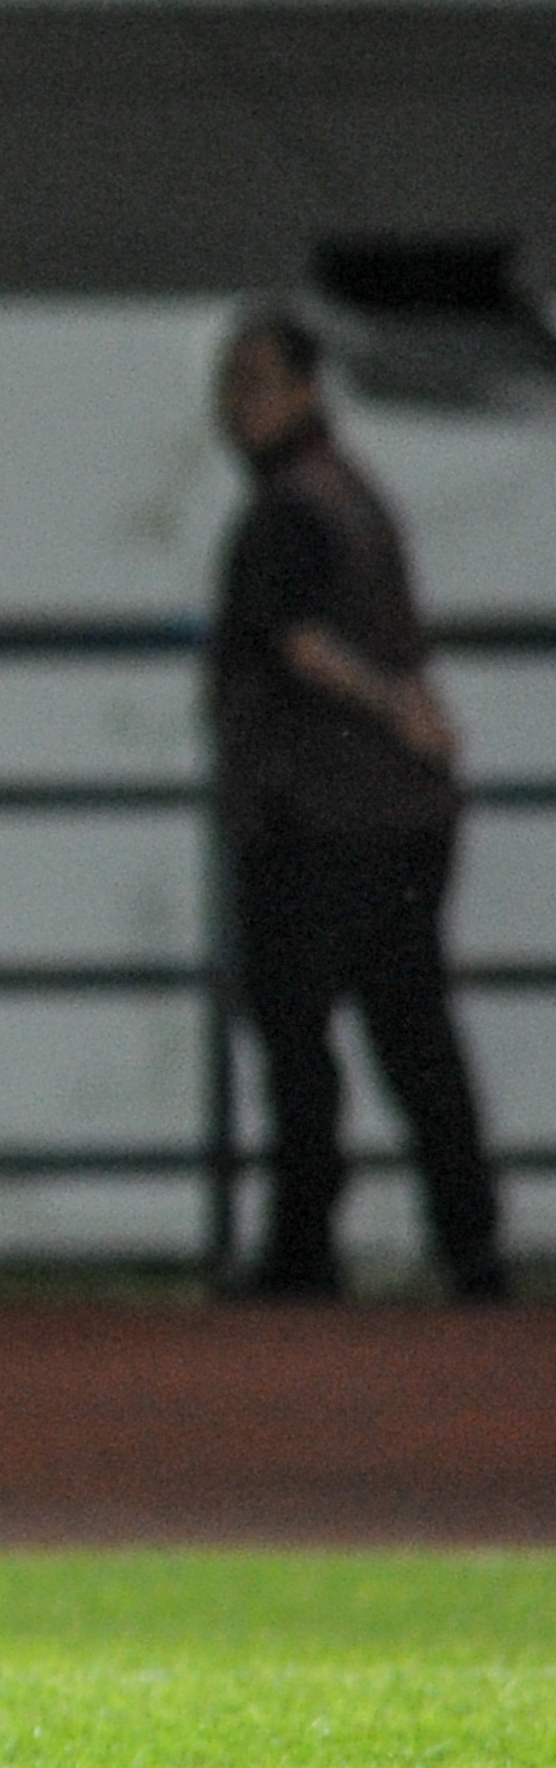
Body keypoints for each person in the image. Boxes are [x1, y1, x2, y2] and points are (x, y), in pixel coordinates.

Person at [209, 308, 510, 1304]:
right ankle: (470, 1243)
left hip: (318, 813)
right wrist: (411, 713)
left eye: (253, 382)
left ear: (302, 390)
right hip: (401, 813)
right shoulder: (356, 496)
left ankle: (303, 1247)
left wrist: (384, 705)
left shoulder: (286, 512)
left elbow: (294, 639)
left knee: (296, 1033)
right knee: (413, 1030)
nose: (235, 406)